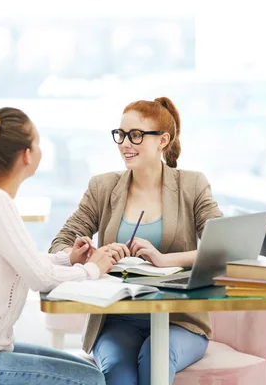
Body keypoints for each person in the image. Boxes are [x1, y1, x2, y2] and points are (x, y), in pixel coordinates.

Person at [0, 107, 114, 385]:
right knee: (91, 381)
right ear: (27, 155)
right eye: (37, 143)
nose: (40, 150)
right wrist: (92, 269)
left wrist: (70, 260)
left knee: (91, 372)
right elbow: (41, 278)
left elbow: (23, 260)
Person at [49, 97, 224, 385]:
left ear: (162, 141)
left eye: (136, 135)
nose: (125, 144)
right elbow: (60, 244)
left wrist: (166, 260)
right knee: (118, 371)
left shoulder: (192, 184)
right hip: (118, 318)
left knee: (155, 358)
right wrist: (87, 256)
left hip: (179, 320)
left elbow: (222, 247)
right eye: (121, 135)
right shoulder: (102, 187)